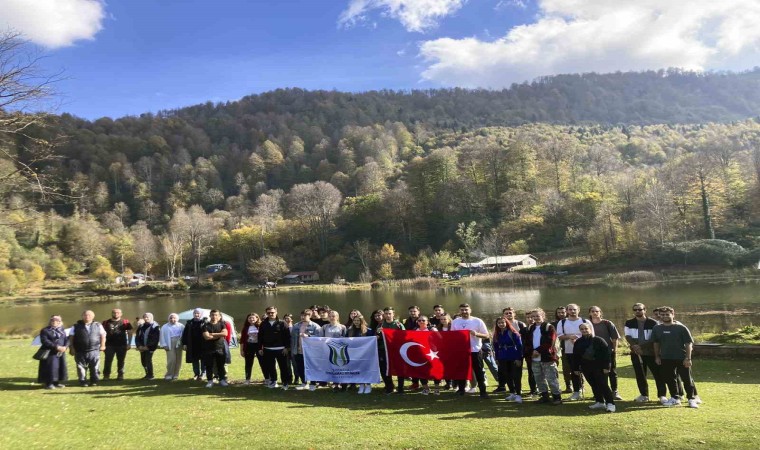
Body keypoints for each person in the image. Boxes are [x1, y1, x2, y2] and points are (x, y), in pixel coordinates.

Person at [653, 307, 699, 408]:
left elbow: (688, 344)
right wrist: (657, 356)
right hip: (666, 358)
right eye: (663, 315)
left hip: (681, 358)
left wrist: (688, 358)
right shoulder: (657, 328)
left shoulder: (681, 328)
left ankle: (691, 399)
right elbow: (656, 343)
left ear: (673, 315)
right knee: (670, 379)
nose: (665, 316)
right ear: (660, 316)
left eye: (667, 314)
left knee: (687, 379)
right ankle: (675, 398)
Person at [624, 303, 665, 403]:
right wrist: (635, 346)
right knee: (640, 375)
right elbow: (628, 336)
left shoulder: (653, 323)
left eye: (640, 309)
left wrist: (641, 346)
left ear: (645, 310)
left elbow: (654, 338)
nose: (637, 311)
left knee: (658, 374)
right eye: (635, 310)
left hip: (651, 353)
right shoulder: (629, 323)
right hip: (636, 353)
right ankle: (644, 395)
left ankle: (662, 395)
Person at [573, 323, 615, 412]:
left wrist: (606, 367)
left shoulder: (599, 340)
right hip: (586, 367)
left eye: (586, 328)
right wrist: (576, 368)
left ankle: (610, 403)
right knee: (594, 385)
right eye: (582, 329)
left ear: (590, 329)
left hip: (599, 366)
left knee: (603, 385)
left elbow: (606, 354)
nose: (584, 330)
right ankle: (599, 401)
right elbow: (576, 356)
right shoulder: (578, 342)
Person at [451, 303, 490, 399]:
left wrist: (476, 334)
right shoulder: (455, 321)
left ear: (470, 310)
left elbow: (487, 335)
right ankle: (461, 390)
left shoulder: (477, 321)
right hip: (461, 351)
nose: (464, 312)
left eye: (466, 309)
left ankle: (483, 392)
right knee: (461, 371)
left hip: (475, 350)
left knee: (478, 371)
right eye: (462, 310)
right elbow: (451, 336)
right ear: (459, 311)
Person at [525, 308, 562, 405]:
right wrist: (531, 352)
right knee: (538, 378)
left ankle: (557, 397)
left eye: (537, 316)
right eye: (533, 316)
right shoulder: (530, 328)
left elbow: (550, 342)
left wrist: (538, 350)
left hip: (547, 357)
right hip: (534, 358)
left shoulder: (549, 327)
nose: (535, 318)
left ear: (543, 316)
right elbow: (527, 342)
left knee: (551, 378)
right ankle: (544, 396)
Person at [556, 303, 590, 400]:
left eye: (574, 309)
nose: (572, 311)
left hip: (584, 352)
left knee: (588, 371)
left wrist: (578, 339)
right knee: (574, 371)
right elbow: (560, 336)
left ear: (578, 310)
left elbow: (591, 335)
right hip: (569, 351)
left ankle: (596, 392)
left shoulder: (585, 321)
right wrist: (569, 337)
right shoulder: (562, 322)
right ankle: (576, 392)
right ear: (567, 311)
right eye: (570, 309)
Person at [588, 306, 622, 400]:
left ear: (600, 312)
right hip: (594, 353)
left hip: (608, 352)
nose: (595, 313)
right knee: (597, 373)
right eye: (593, 311)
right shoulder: (588, 324)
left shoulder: (607, 323)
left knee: (612, 372)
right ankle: (599, 392)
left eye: (597, 311)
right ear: (590, 313)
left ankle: (614, 391)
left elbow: (615, 338)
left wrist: (614, 350)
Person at [258, 306, 292, 389]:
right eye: (268, 313)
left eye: (272, 312)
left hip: (281, 349)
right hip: (268, 349)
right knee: (270, 367)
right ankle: (273, 381)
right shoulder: (263, 324)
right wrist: (260, 348)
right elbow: (260, 337)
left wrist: (287, 348)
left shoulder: (282, 323)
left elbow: (287, 337)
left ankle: (285, 383)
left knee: (283, 367)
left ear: (276, 312)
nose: (270, 314)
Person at [69, 310, 106, 387]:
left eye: (89, 315)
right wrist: (72, 348)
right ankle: (83, 381)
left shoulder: (98, 325)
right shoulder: (75, 326)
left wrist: (103, 345)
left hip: (94, 350)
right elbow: (71, 338)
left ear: (93, 316)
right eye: (85, 315)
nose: (87, 317)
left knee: (95, 366)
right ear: (82, 316)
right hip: (80, 350)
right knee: (81, 367)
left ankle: (94, 381)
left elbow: (103, 335)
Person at [493, 317, 524, 402]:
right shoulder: (497, 334)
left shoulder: (513, 333)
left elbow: (519, 346)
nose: (501, 324)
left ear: (506, 323)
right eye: (499, 323)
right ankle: (512, 393)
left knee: (516, 376)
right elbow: (495, 347)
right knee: (507, 376)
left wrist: (518, 358)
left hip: (513, 356)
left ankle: (518, 395)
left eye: (503, 322)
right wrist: (497, 358)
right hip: (503, 357)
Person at [376, 307, 405, 394]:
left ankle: (400, 388)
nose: (388, 315)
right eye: (386, 314)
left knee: (399, 369)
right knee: (384, 369)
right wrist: (378, 333)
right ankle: (389, 387)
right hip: (383, 350)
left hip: (396, 351)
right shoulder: (380, 325)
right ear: (384, 315)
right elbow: (376, 338)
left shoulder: (399, 325)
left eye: (390, 313)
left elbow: (405, 337)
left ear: (393, 314)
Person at [291, 309, 322, 391]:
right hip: (298, 351)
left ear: (310, 316)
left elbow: (320, 338)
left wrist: (308, 336)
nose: (302, 317)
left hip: (310, 352)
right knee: (300, 367)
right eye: (301, 315)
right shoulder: (296, 326)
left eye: (305, 315)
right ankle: (304, 383)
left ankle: (313, 383)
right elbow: (292, 338)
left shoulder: (315, 326)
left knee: (311, 367)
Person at [37, 315, 68, 389]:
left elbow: (66, 339)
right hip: (50, 352)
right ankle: (49, 383)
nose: (55, 322)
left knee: (59, 367)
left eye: (57, 321)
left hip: (60, 352)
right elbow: (45, 341)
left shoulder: (62, 330)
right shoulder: (45, 330)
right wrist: (56, 347)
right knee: (50, 368)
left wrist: (65, 346)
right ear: (50, 321)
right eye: (53, 321)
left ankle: (56, 382)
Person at [102, 308, 132, 381]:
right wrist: (102, 344)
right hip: (109, 345)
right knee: (108, 360)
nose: (116, 314)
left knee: (121, 360)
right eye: (114, 313)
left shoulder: (125, 322)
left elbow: (130, 333)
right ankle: (106, 375)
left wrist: (129, 343)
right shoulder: (106, 322)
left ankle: (120, 375)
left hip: (121, 345)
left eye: (118, 313)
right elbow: (101, 334)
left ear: (121, 314)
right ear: (111, 313)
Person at [201, 309, 229, 387]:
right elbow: (206, 337)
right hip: (208, 349)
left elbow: (225, 333)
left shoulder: (222, 324)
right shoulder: (205, 325)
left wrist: (212, 334)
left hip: (220, 348)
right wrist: (219, 334)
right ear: (210, 316)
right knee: (209, 365)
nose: (214, 316)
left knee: (221, 365)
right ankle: (210, 381)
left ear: (219, 316)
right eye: (212, 315)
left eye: (216, 315)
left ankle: (222, 380)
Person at [347, 314, 372, 394]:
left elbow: (372, 341)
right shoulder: (350, 330)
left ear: (362, 321)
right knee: (358, 369)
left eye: (358, 320)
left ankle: (368, 385)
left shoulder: (368, 330)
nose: (356, 322)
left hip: (366, 353)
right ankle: (361, 384)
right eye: (355, 320)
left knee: (366, 369)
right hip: (354, 354)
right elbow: (346, 340)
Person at [181, 308, 206, 380]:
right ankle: (196, 374)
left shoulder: (204, 322)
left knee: (203, 360)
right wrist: (185, 344)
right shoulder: (189, 323)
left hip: (203, 344)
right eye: (195, 313)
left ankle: (203, 374)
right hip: (192, 344)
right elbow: (185, 334)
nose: (196, 315)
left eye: (198, 313)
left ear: (201, 314)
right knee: (194, 360)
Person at [551, 306, 572, 393]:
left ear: (566, 312)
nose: (561, 314)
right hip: (557, 348)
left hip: (569, 346)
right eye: (559, 313)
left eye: (563, 312)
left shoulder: (570, 322)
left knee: (573, 367)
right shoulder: (553, 324)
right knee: (558, 367)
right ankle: (564, 386)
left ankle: (578, 386)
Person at [240, 313, 264, 385]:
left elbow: (263, 338)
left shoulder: (260, 326)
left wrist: (262, 348)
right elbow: (242, 340)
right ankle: (247, 379)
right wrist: (241, 350)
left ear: (257, 318)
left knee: (262, 363)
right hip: (249, 347)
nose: (251, 319)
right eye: (250, 318)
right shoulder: (245, 328)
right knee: (248, 363)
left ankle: (267, 378)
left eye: (253, 318)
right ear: (247, 319)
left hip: (259, 347)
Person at [135, 312, 160, 380]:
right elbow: (137, 337)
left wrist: (148, 346)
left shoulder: (155, 327)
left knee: (148, 360)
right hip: (142, 347)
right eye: (144, 317)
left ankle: (151, 375)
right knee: (143, 361)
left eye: (147, 317)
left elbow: (155, 338)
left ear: (151, 318)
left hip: (150, 347)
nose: (146, 318)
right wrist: (139, 346)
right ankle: (147, 374)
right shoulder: (141, 326)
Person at [160, 313, 184, 380]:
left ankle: (176, 374)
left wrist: (184, 344)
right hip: (169, 343)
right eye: (171, 318)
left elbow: (184, 335)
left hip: (179, 343)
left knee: (178, 359)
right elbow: (161, 336)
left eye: (174, 318)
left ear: (177, 319)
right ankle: (169, 374)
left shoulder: (181, 326)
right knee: (171, 359)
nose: (172, 319)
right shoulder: (164, 326)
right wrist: (164, 345)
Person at [519, 311, 538, 396]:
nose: (530, 319)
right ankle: (533, 390)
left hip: (539, 352)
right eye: (528, 317)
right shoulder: (523, 330)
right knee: (531, 372)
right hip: (528, 354)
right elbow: (523, 342)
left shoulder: (540, 328)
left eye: (532, 317)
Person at [436, 313, 454, 391]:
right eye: (441, 319)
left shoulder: (453, 328)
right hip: (441, 350)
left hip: (452, 350)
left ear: (449, 319)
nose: (443, 321)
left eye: (445, 319)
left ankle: (455, 383)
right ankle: (448, 383)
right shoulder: (438, 328)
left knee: (452, 366)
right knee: (444, 367)